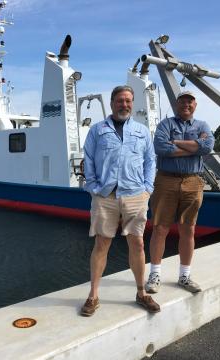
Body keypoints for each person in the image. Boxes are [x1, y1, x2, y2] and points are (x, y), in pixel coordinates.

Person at [80, 85, 160, 317]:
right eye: (119, 101)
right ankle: (93, 295)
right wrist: (94, 188)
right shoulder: (97, 130)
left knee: (137, 244)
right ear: (112, 102)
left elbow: (150, 161)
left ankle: (141, 292)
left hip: (136, 195)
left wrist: (148, 188)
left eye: (128, 101)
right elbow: (89, 159)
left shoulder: (142, 131)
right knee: (101, 245)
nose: (124, 105)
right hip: (106, 196)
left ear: (132, 103)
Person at [145, 90, 214, 294]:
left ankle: (184, 276)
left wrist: (175, 142)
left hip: (193, 182)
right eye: (182, 101)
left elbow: (207, 146)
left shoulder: (203, 126)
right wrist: (194, 147)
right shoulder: (166, 124)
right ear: (176, 104)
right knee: (160, 228)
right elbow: (160, 148)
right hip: (166, 180)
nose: (186, 104)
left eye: (190, 101)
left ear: (195, 105)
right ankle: (155, 275)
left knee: (188, 229)